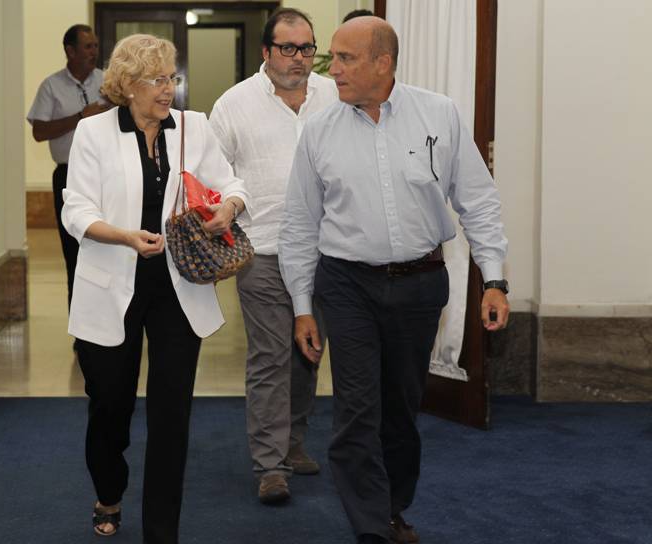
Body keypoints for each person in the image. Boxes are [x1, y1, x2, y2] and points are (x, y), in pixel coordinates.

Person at [278, 17, 509, 544]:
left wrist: (494, 278)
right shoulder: (318, 131)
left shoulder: (439, 114)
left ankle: (391, 507)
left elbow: (477, 200)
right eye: (331, 57)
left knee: (401, 410)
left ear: (383, 63)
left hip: (421, 283)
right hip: (347, 284)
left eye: (344, 59)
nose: (330, 69)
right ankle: (372, 529)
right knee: (357, 410)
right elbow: (298, 225)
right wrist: (302, 306)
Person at [61, 34, 250, 543]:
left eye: (172, 78)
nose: (169, 89)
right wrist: (122, 235)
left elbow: (231, 184)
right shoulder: (94, 132)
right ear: (127, 84)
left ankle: (162, 531)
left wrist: (226, 210)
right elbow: (75, 210)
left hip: (177, 287)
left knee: (172, 414)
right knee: (110, 407)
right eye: (156, 79)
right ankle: (109, 492)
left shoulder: (194, 126)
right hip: (111, 283)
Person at [209, 7, 337, 505]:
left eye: (307, 48)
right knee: (270, 357)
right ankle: (269, 465)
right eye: (288, 48)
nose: (299, 58)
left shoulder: (333, 95)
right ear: (266, 52)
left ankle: (294, 442)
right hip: (262, 252)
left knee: (308, 355)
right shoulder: (234, 104)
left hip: (326, 253)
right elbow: (213, 173)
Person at [27, 24, 111, 307]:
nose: (94, 52)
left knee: (107, 251)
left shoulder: (108, 83)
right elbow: (39, 132)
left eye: (96, 46)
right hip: (68, 179)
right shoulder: (51, 86)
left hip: (107, 177)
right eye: (88, 47)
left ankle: (110, 318)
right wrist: (80, 117)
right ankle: (82, 333)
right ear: (70, 51)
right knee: (74, 252)